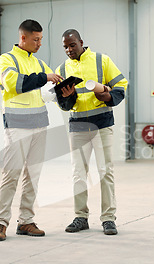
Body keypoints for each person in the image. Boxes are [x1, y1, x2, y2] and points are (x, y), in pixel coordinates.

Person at [0, 19, 63, 241]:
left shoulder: (40, 64)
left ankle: (26, 221)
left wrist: (63, 90)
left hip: (39, 124)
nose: (39, 44)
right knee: (11, 174)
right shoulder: (7, 60)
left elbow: (50, 92)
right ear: (23, 38)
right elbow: (14, 83)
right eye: (36, 39)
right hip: (17, 125)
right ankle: (0, 223)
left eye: (41, 39)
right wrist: (45, 78)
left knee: (33, 176)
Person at [55, 29, 128, 235]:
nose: (69, 50)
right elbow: (64, 104)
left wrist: (108, 96)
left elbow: (121, 84)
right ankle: (81, 217)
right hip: (77, 126)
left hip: (102, 123)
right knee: (78, 174)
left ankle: (108, 218)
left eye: (72, 45)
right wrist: (67, 97)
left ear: (81, 42)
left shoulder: (101, 60)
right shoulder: (62, 68)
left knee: (105, 171)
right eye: (65, 47)